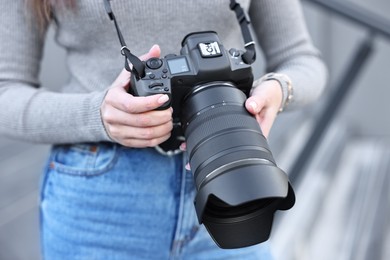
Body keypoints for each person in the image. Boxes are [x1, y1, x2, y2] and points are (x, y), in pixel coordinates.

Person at [0, 0, 327, 259]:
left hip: (236, 179)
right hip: (100, 200)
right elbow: (5, 92)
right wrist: (97, 114)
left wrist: (277, 89)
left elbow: (302, 60)